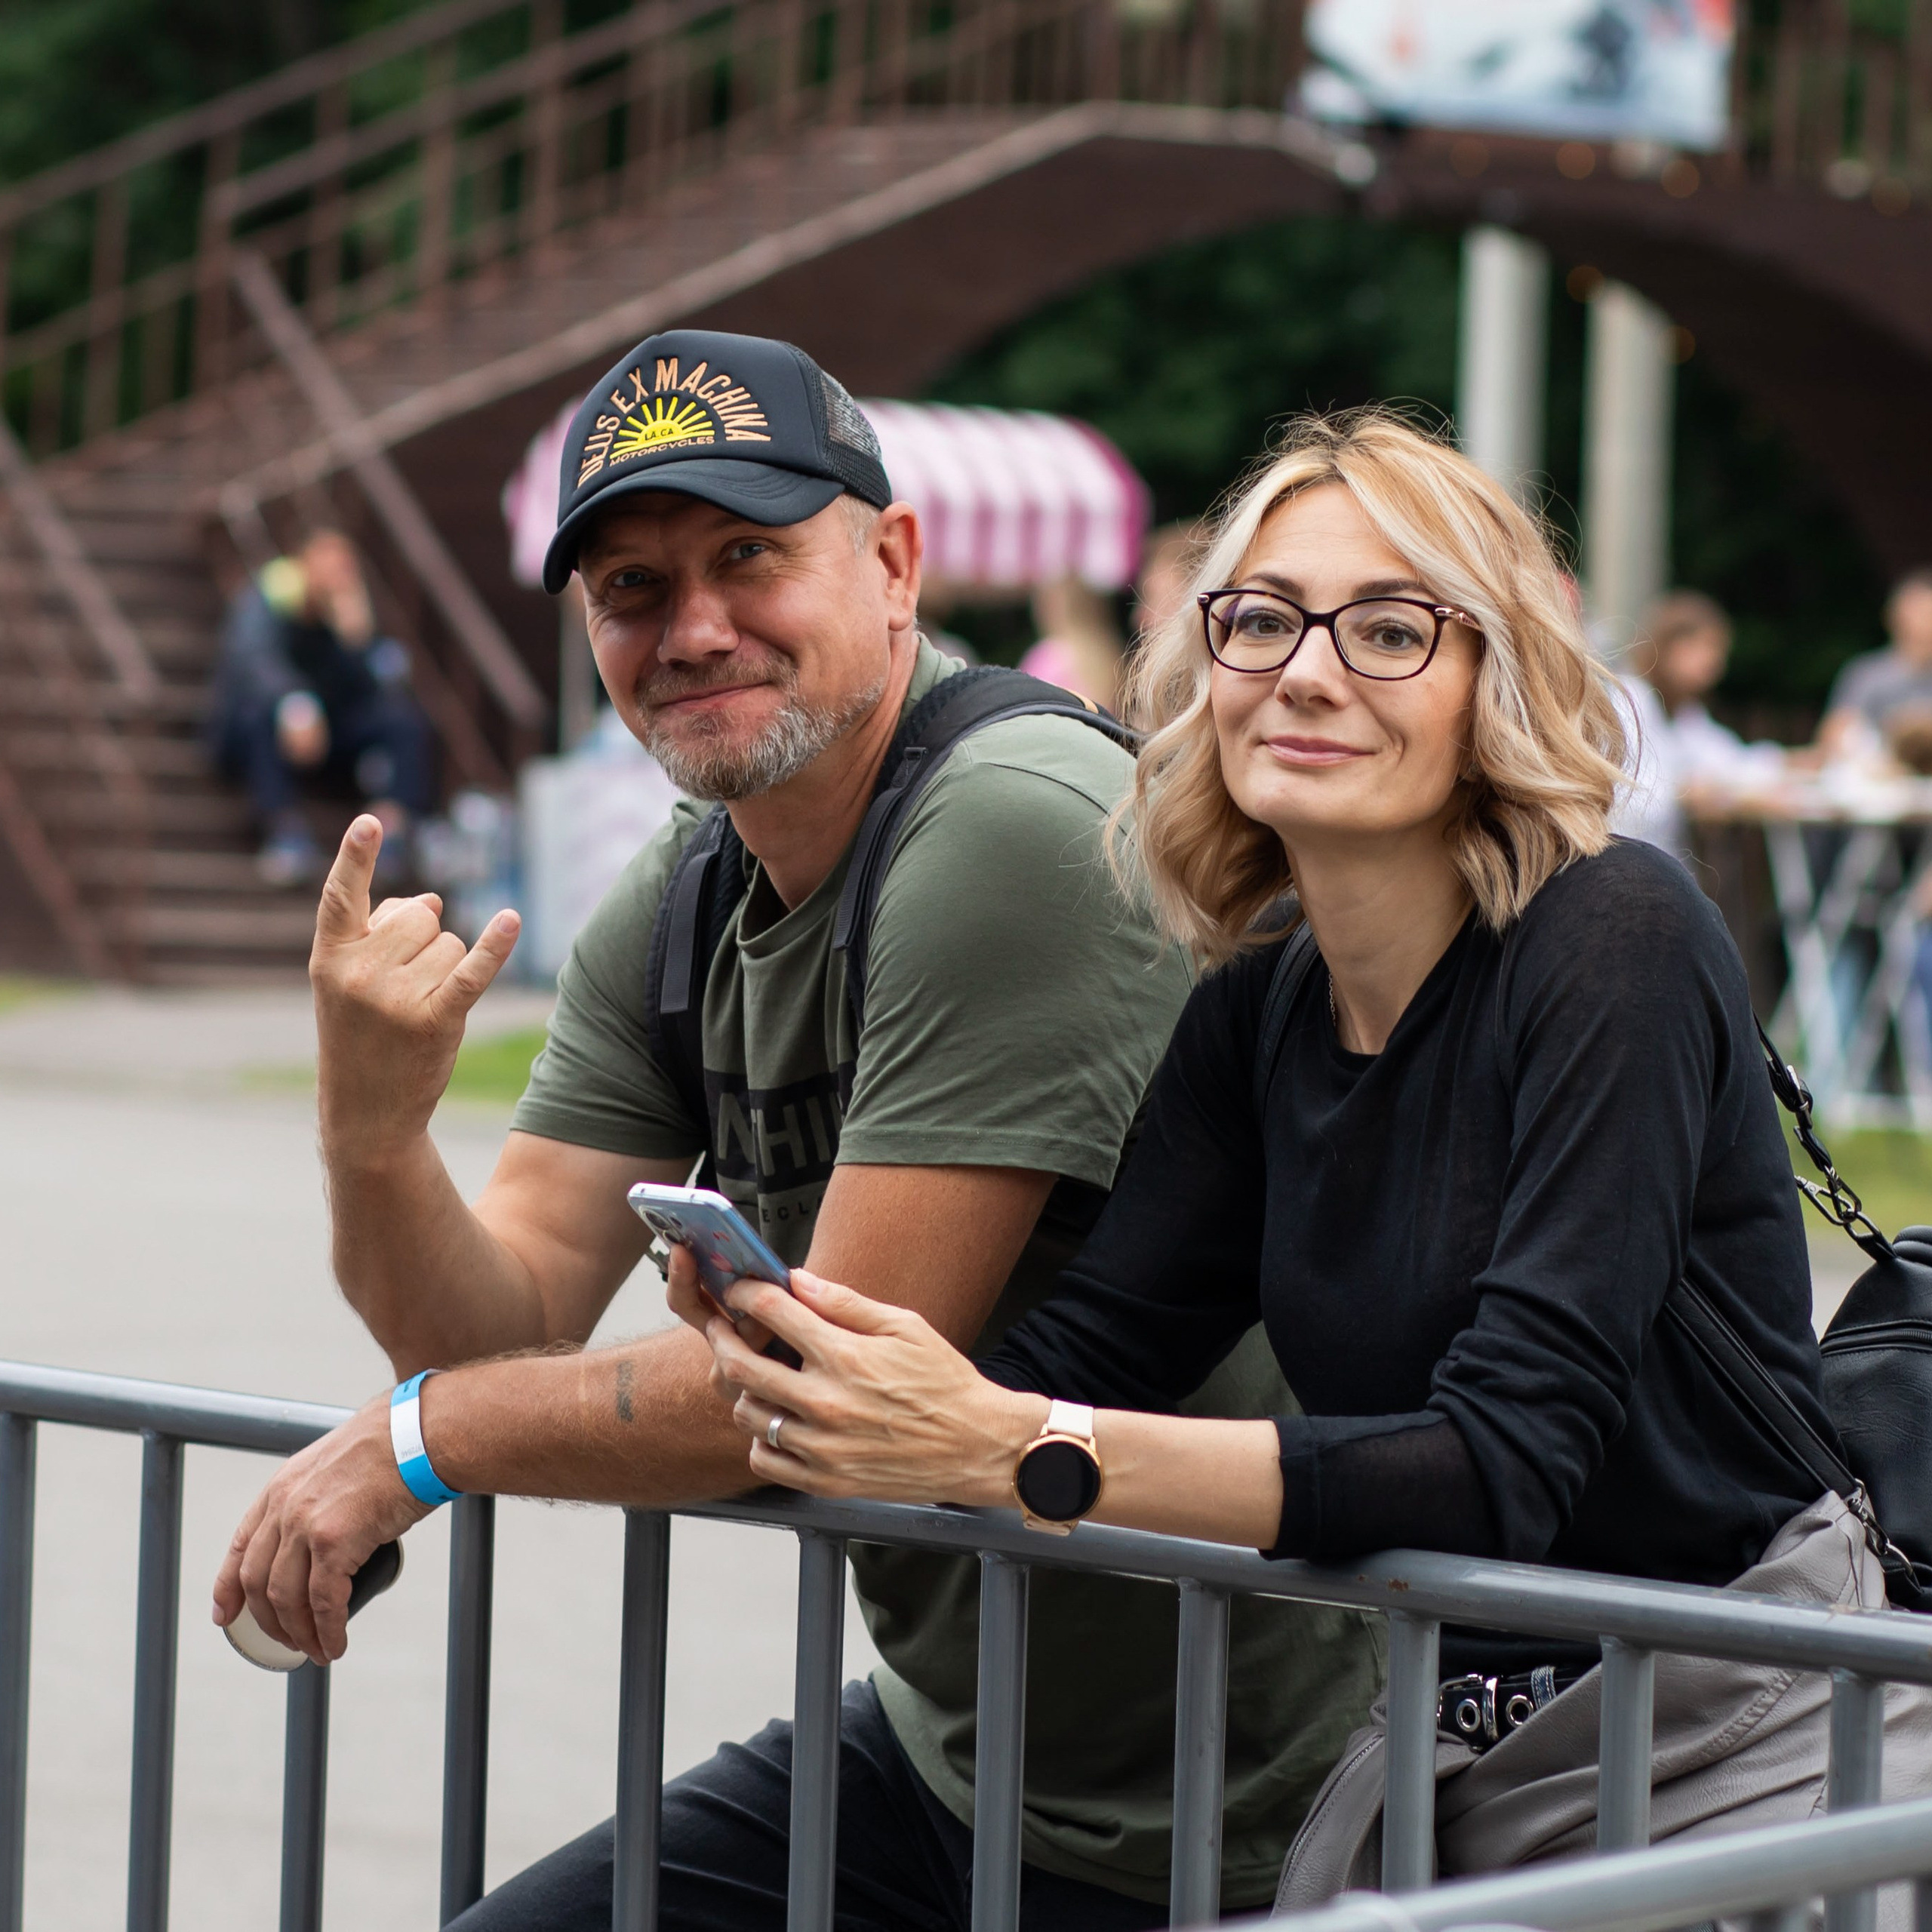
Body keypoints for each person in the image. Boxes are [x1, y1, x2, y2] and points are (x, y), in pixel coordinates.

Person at [208, 330, 1384, 1930]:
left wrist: (419, 1442)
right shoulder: (690, 886)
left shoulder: (1012, 828)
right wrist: (368, 1128)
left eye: (747, 556)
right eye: (629, 587)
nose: (692, 626)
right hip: (964, 1762)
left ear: (892, 564)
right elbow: (488, 1324)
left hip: (1264, 1810)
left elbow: (830, 1377)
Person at [687, 409, 1932, 1909]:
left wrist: (1007, 1447)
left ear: (1496, 676)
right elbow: (1093, 1348)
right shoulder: (1260, 1002)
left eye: (1390, 628)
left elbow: (1501, 1463)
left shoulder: (1616, 933)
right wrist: (803, 1342)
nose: (1307, 669)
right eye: (1260, 618)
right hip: (1453, 1754)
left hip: (1743, 1747)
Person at [207, 529, 432, 882]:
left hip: (328, 732)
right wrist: (295, 702)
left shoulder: (341, 616)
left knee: (402, 721)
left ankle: (390, 829)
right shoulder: (270, 596)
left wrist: (356, 642)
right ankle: (284, 830)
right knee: (258, 717)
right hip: (263, 726)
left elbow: (365, 691)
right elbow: (253, 661)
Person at [1611, 589, 1783, 856]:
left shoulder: (1684, 711)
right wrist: (1686, 793)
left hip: (1657, 859)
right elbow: (1627, 802)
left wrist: (1794, 762)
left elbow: (1729, 761)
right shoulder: (1628, 702)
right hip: (1624, 860)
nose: (1716, 663)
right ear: (1672, 647)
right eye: (1707, 647)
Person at [1817, 566, 1932, 761]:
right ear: (1894, 616)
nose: (1923, 621)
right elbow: (1834, 735)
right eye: (1917, 612)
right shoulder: (1866, 673)